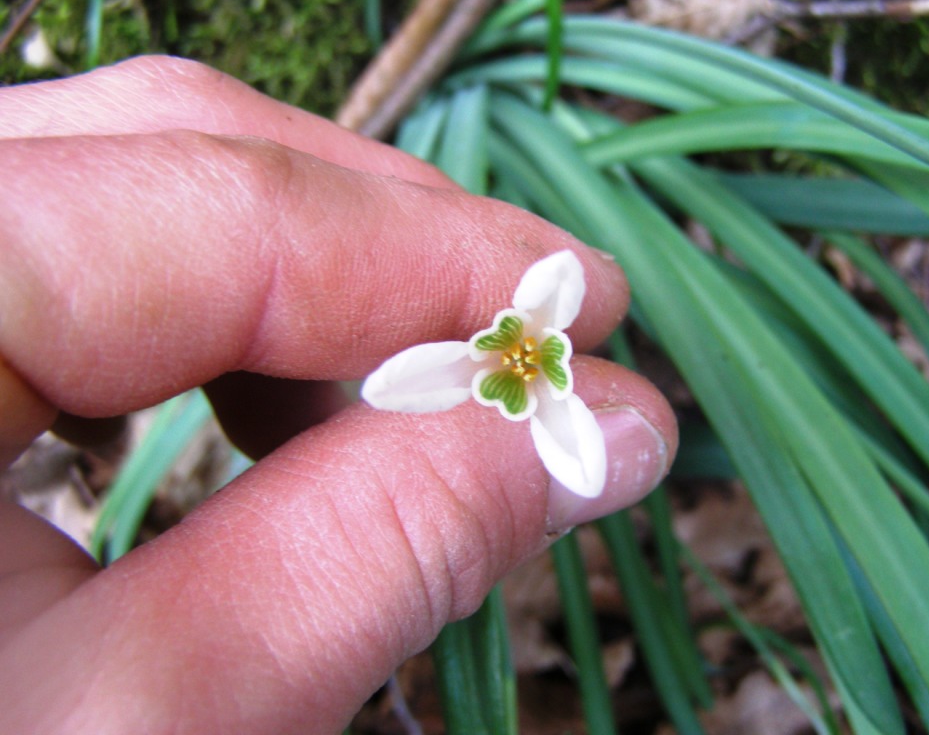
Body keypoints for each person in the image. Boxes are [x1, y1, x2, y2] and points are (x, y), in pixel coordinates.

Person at [0, 56, 676, 733]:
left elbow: (558, 297)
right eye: (520, 353)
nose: (523, 357)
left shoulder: (540, 331)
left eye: (528, 355)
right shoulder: (501, 353)